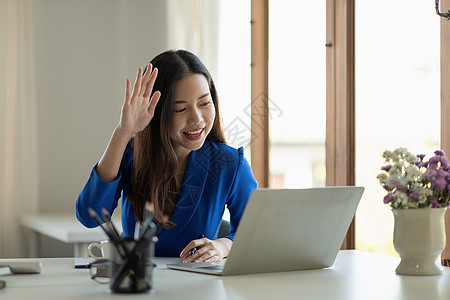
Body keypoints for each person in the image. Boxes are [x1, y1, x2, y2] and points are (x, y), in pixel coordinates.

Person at [76, 50, 257, 263]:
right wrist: (123, 133)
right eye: (180, 109)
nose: (197, 119)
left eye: (204, 103)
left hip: (197, 286)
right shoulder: (131, 155)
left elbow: (253, 234)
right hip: (138, 283)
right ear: (157, 113)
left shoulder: (231, 163)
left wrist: (223, 245)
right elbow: (89, 216)